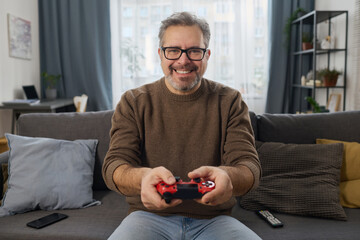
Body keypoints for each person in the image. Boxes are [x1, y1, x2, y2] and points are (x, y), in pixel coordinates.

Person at [103, 11, 262, 240]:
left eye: (194, 51)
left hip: (215, 220)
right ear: (160, 55)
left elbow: (249, 167)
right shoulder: (133, 101)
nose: (183, 60)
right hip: (147, 217)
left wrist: (226, 177)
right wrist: (143, 178)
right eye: (173, 50)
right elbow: (114, 165)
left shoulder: (230, 101)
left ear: (207, 55)